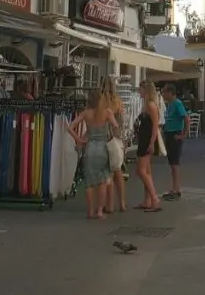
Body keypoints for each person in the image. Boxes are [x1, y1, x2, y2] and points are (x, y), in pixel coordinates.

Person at [66, 90, 119, 220]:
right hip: (102, 148)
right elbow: (115, 126)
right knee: (102, 181)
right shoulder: (107, 112)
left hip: (89, 148)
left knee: (89, 182)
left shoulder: (86, 114)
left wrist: (78, 139)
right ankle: (99, 211)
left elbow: (69, 127)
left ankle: (90, 211)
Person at [98, 77, 128, 214]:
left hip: (104, 137)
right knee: (118, 170)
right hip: (117, 138)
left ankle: (109, 205)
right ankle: (121, 203)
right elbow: (122, 120)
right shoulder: (118, 101)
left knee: (107, 171)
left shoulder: (100, 101)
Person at [133, 82, 162, 212]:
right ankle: (148, 200)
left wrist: (151, 143)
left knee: (141, 171)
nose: (139, 92)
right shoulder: (146, 106)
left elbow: (155, 126)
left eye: (141, 89)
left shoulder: (151, 106)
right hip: (144, 139)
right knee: (147, 171)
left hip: (147, 140)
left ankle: (154, 198)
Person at [160, 84, 189, 201]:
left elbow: (186, 118)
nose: (163, 94)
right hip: (169, 133)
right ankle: (174, 188)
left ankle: (177, 189)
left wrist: (184, 134)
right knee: (172, 163)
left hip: (174, 134)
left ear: (171, 93)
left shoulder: (177, 103)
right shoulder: (169, 104)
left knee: (175, 163)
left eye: (165, 92)